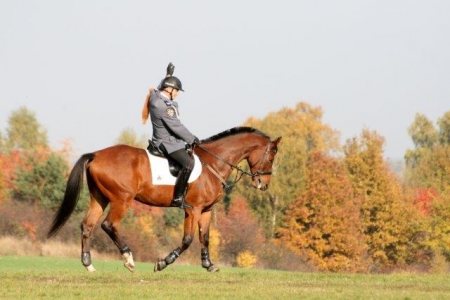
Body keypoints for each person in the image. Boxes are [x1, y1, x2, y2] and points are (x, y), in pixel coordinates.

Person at [141, 63, 200, 209]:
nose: (178, 94)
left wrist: (168, 75)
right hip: (167, 143)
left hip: (164, 139)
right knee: (189, 164)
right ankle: (178, 198)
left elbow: (157, 88)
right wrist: (192, 139)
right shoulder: (165, 107)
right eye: (177, 91)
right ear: (170, 90)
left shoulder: (155, 96)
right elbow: (176, 127)